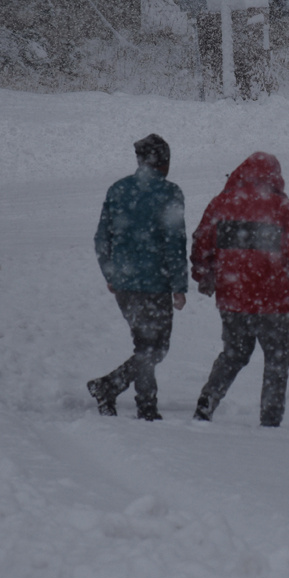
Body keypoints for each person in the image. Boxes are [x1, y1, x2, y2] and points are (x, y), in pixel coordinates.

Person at [190, 152, 289, 427]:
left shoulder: (221, 204)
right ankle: (270, 420)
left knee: (234, 354)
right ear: (275, 177)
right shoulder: (286, 209)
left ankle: (207, 400)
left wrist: (204, 275)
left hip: (233, 298)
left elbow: (201, 243)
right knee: (276, 362)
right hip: (273, 301)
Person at [88, 134, 188, 421]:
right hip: (155, 284)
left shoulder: (118, 189)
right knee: (156, 348)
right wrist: (179, 287)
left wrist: (110, 272)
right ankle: (127, 396)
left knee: (145, 346)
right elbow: (175, 243)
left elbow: (101, 238)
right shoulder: (170, 193)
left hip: (124, 285)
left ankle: (138, 400)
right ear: (163, 161)